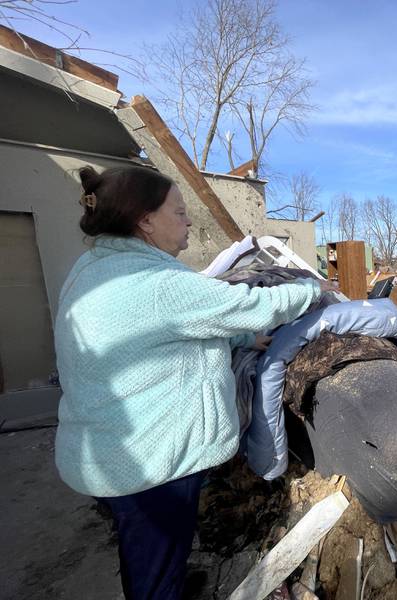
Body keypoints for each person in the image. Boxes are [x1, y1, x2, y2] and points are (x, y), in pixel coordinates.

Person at [54, 165, 331, 600]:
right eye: (179, 211)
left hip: (108, 451)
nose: (188, 221)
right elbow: (249, 305)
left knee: (143, 549)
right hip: (150, 465)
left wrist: (243, 338)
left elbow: (167, 328)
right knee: (154, 570)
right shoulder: (157, 283)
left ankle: (168, 581)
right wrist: (313, 290)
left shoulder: (93, 269)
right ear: (145, 221)